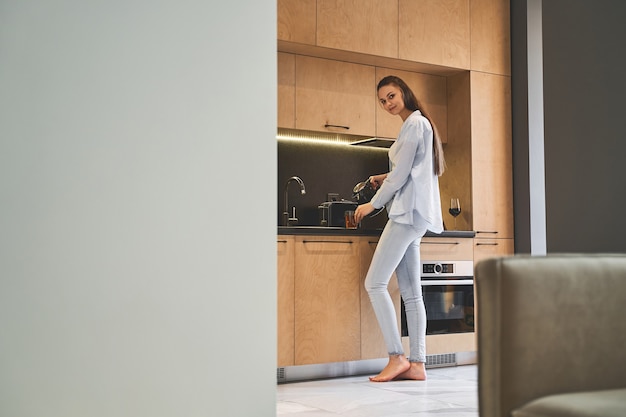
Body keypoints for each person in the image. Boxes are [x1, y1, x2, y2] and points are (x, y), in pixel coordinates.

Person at [354, 75, 445, 382]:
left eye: (391, 96)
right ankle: (418, 364)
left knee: (375, 283)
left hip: (406, 215)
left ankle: (397, 357)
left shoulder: (415, 124)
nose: (387, 104)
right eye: (382, 101)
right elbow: (408, 169)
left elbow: (402, 174)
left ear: (404, 92)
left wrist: (373, 204)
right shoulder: (417, 125)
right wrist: (385, 175)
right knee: (411, 293)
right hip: (417, 215)